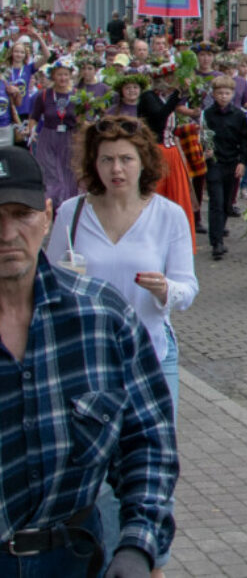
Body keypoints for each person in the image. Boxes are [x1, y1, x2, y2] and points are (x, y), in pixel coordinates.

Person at [0, 146, 178, 577]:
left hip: (76, 557)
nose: (6, 234)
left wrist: (138, 545)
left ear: (46, 215)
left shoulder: (101, 317)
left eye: (20, 213)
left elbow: (147, 440)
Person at [48, 118, 198, 575]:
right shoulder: (71, 213)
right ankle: (110, 557)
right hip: (88, 364)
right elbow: (48, 284)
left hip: (151, 357)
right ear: (93, 163)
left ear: (143, 162)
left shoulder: (167, 214)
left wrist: (163, 290)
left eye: (126, 158)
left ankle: (151, 562)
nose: (117, 168)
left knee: (150, 468)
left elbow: (188, 289)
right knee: (95, 469)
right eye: (107, 158)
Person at [138, 59, 198, 249]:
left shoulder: (168, 98)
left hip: (172, 152)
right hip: (156, 151)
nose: (173, 81)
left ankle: (177, 239)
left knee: (178, 196)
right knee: (156, 194)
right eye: (170, 78)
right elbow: (159, 116)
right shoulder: (149, 97)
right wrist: (178, 94)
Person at [202, 75, 247, 261]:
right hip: (214, 162)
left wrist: (242, 162)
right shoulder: (207, 114)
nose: (223, 96)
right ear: (213, 94)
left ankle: (220, 230)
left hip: (232, 163)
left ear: (232, 94)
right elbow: (202, 137)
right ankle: (216, 242)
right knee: (216, 202)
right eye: (220, 93)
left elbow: (244, 141)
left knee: (226, 203)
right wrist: (204, 151)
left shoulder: (238, 115)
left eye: (227, 93)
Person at [28, 56, 80, 213]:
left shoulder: (77, 94)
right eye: (59, 74)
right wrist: (32, 132)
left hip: (70, 138)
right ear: (53, 76)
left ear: (70, 75)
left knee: (69, 174)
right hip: (49, 137)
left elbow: (84, 118)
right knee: (51, 175)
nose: (62, 78)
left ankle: (67, 208)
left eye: (65, 74)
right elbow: (34, 118)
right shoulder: (44, 95)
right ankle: (51, 207)